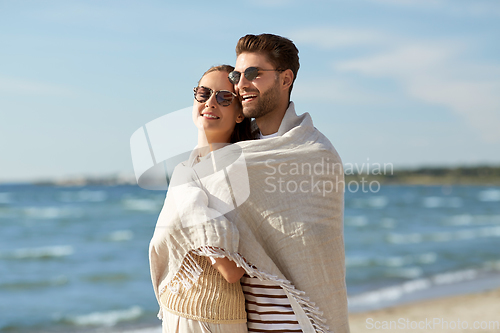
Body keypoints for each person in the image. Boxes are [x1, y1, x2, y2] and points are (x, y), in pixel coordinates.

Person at [227, 34, 350, 333]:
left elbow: (315, 253)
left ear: (285, 80)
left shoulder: (315, 152)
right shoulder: (232, 152)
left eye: (254, 74)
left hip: (301, 321)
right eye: (236, 75)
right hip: (244, 322)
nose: (241, 84)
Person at [149, 65, 254, 333]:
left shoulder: (237, 168)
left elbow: (232, 270)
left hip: (212, 319)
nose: (210, 102)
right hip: (176, 313)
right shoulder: (187, 170)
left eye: (223, 97)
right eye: (203, 93)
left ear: (239, 112)